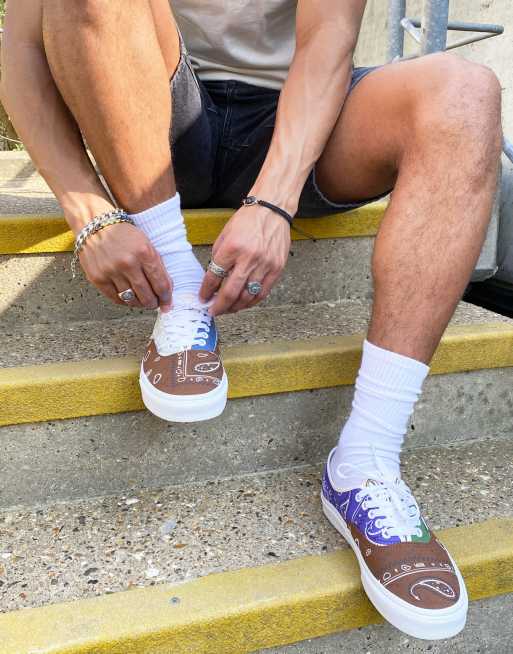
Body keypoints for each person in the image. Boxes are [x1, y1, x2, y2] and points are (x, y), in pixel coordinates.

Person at [1, 0, 502, 640]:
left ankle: (366, 460)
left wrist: (273, 200)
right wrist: (88, 212)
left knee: (466, 91)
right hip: (153, 119)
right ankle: (185, 292)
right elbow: (22, 47)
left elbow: (330, 35)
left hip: (301, 124)